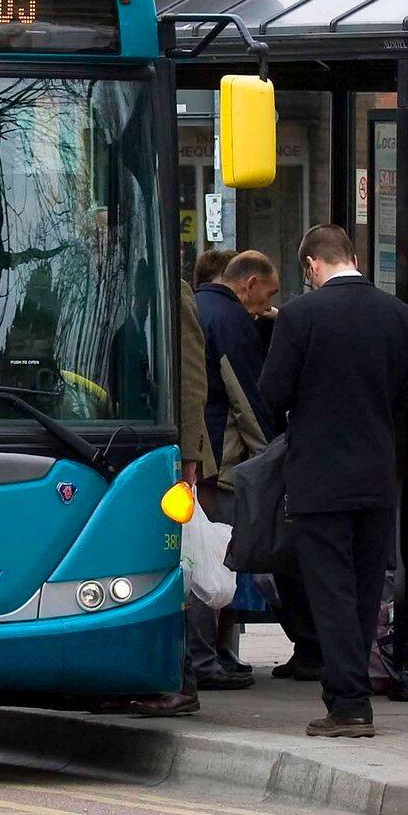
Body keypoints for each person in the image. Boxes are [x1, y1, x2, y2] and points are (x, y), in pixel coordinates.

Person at [258, 224, 408, 738]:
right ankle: (354, 695)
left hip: (319, 479)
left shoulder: (300, 316)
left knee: (330, 593)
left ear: (311, 265)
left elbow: (272, 392)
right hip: (376, 476)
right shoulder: (400, 315)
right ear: (354, 257)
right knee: (366, 591)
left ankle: (348, 704)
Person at [132, 252, 278, 717]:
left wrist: (193, 458)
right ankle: (190, 664)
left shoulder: (178, 296)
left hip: (180, 458)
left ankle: (191, 668)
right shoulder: (122, 282)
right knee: (185, 561)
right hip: (157, 453)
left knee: (191, 560)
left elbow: (195, 383)